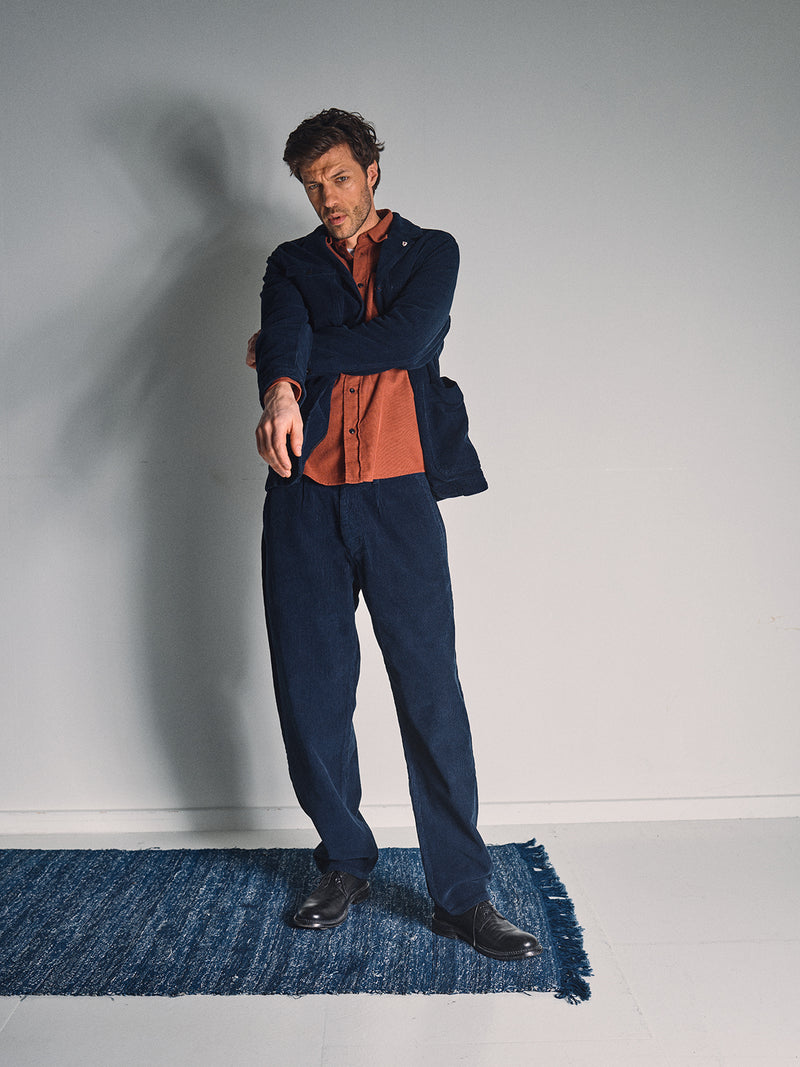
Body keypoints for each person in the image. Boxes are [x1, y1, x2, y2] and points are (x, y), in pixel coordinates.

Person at [248, 108, 540, 961]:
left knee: (430, 692)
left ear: (372, 169)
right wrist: (278, 387)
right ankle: (343, 859)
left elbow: (409, 339)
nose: (326, 197)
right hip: (305, 497)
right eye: (311, 184)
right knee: (311, 691)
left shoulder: (431, 251)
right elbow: (287, 343)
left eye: (338, 176)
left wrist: (286, 358)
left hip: (400, 494)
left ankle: (461, 895)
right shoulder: (290, 263)